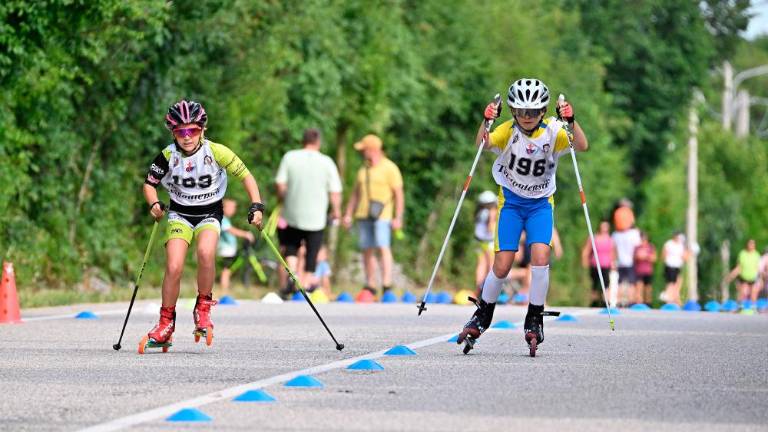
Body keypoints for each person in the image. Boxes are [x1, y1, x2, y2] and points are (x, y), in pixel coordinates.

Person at [456, 78, 588, 355]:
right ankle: (483, 314)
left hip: (540, 204)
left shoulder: (554, 131)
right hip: (512, 205)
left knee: (541, 256)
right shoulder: (507, 131)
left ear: (543, 111)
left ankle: (534, 317)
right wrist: (486, 120)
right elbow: (482, 142)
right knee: (502, 264)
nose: (526, 118)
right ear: (513, 110)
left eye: (533, 112)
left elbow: (582, 145)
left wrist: (571, 120)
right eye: (521, 112)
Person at [142, 99, 264, 350]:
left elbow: (246, 175)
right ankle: (166, 322)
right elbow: (149, 183)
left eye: (193, 130)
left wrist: (256, 206)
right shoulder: (168, 155)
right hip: (180, 213)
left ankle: (203, 308)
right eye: (180, 131)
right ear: (172, 132)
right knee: (174, 265)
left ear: (203, 130)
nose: (187, 137)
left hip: (209, 211)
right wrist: (154, 204)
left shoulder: (216, 152)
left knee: (206, 253)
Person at [275, 128, 342, 297]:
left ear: (302, 141)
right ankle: (303, 286)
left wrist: (284, 199)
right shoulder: (327, 162)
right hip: (316, 217)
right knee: (312, 251)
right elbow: (335, 191)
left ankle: (293, 276)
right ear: (318, 142)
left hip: (292, 212)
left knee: (290, 247)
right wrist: (336, 211)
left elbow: (280, 184)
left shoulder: (289, 157)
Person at [342, 134, 405, 298]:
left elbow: (398, 194)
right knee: (366, 249)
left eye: (364, 149)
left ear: (372, 149)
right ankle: (370, 284)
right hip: (363, 214)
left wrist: (398, 217)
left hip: (382, 215)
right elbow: (355, 194)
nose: (362, 152)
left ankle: (386, 283)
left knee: (383, 247)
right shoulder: (363, 169)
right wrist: (348, 214)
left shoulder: (390, 168)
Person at [217, 199, 256, 296]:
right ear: (223, 208)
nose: (234, 210)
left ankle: (225, 289)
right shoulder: (222, 218)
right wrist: (245, 234)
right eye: (231, 207)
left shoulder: (226, 219)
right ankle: (224, 292)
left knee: (228, 269)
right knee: (226, 270)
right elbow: (230, 230)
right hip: (225, 250)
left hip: (228, 250)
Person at [581, 221, 615, 307]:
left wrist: (613, 263)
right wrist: (585, 260)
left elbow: (612, 252)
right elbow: (587, 250)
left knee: (606, 283)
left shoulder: (610, 239)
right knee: (595, 283)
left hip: (606, 264)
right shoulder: (594, 238)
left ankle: (605, 300)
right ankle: (594, 301)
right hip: (595, 264)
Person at [474, 190, 498, 294]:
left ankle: (478, 288)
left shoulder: (480, 212)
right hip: (488, 242)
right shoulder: (491, 212)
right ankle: (488, 291)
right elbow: (490, 228)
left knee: (481, 265)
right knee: (491, 266)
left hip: (478, 242)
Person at [611, 224, 641, 307]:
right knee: (631, 283)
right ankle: (631, 301)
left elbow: (614, 249)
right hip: (630, 262)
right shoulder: (634, 233)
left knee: (620, 283)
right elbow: (637, 247)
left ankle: (619, 302)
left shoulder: (615, 234)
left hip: (620, 262)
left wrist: (614, 261)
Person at [725, 239, 761, 304]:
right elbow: (739, 268)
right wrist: (731, 276)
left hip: (754, 278)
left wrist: (761, 280)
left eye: (752, 244)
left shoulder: (757, 255)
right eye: (749, 243)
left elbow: (758, 268)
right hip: (744, 278)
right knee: (743, 294)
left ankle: (754, 309)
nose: (751, 245)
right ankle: (740, 308)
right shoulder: (742, 254)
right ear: (747, 244)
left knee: (753, 295)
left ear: (755, 245)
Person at [660, 232, 688, 305]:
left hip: (677, 267)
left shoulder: (681, 245)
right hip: (670, 266)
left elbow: (685, 257)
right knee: (671, 283)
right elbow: (663, 255)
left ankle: (673, 299)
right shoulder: (669, 243)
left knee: (677, 283)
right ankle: (668, 299)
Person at [633, 231, 657, 305]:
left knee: (648, 288)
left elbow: (654, 258)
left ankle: (648, 304)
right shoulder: (637, 247)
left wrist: (646, 256)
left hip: (648, 271)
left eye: (645, 239)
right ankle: (639, 303)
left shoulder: (651, 247)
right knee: (639, 287)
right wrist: (640, 256)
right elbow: (635, 257)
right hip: (639, 271)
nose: (643, 240)